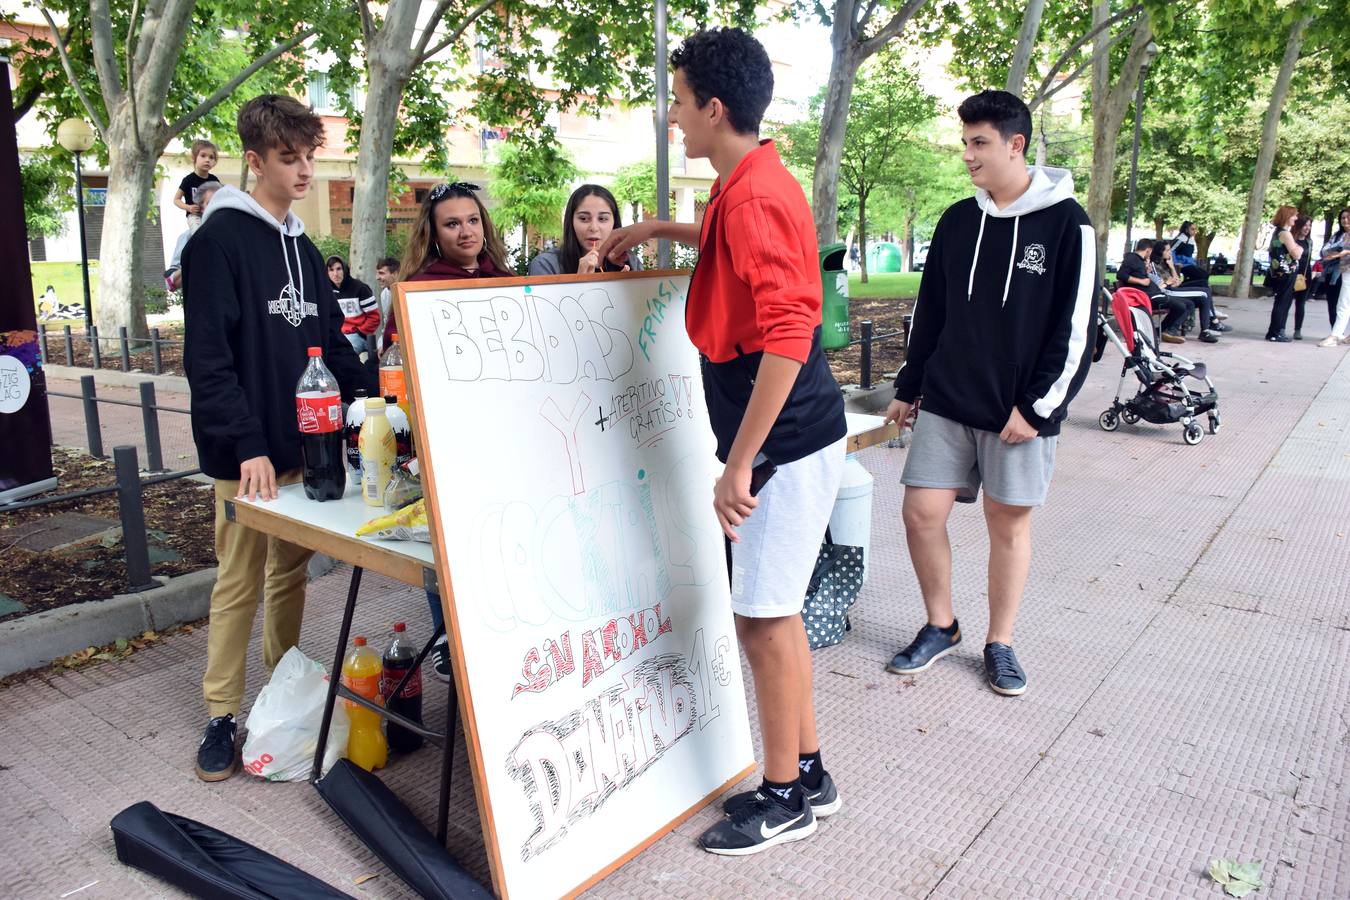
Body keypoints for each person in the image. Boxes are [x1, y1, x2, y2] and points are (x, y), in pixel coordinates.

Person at [599, 27, 848, 856]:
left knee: (763, 621)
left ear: (713, 107)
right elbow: (735, 256)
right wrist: (660, 233)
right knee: (774, 617)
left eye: (676, 101)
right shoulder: (751, 181)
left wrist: (741, 461)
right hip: (788, 436)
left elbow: (788, 332)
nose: (671, 118)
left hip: (784, 439)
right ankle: (808, 771)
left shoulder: (752, 196)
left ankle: (784, 797)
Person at [182, 95, 377, 782]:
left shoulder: (300, 244)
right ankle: (220, 712)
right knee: (238, 578)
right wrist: (245, 446)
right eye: (288, 158)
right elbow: (207, 360)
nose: (302, 171)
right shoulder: (217, 242)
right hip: (248, 456)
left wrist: (375, 400)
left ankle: (283, 682)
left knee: (291, 572)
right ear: (255, 159)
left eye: (309, 157)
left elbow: (331, 341)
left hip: (305, 447)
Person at [880, 89, 1095, 701]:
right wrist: (910, 385)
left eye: (980, 143)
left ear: (1015, 144)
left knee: (1008, 525)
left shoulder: (1068, 225)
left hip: (1017, 413)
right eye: (965, 143)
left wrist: (1039, 409)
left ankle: (999, 643)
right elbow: (932, 312)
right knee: (921, 512)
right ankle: (941, 625)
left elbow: (1075, 331)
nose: (969, 156)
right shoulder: (957, 220)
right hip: (949, 398)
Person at [397, 181, 513, 681]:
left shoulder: (506, 279)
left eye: (472, 220)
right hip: (449, 438)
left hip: (503, 434)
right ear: (434, 233)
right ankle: (445, 634)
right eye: (452, 223)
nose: (465, 231)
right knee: (448, 542)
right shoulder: (421, 288)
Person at [527, 184, 641, 275]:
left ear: (614, 223)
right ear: (571, 221)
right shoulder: (546, 265)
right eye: (584, 218)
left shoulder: (631, 262)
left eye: (602, 219)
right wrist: (580, 284)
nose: (594, 228)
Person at [1149, 240, 1228, 343]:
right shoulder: (1154, 265)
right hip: (1168, 291)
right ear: (1160, 252)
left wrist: (1171, 266)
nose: (1170, 253)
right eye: (1167, 250)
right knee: (1203, 293)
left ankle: (1206, 328)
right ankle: (1212, 322)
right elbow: (1164, 284)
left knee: (1203, 285)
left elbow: (1176, 280)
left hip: (1173, 288)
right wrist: (1171, 282)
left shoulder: (1165, 263)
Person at [1119, 238, 1190, 343]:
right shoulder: (1132, 258)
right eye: (1150, 252)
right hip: (1148, 296)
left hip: (1154, 293)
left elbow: (1137, 274)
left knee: (1187, 303)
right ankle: (1158, 332)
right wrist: (1141, 281)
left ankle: (1159, 331)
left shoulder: (1139, 260)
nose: (1150, 255)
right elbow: (1121, 274)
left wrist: (1146, 272)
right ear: (1148, 250)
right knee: (1181, 306)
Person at [165, 181, 223, 291]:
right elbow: (170, 283)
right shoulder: (188, 237)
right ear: (201, 208)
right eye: (211, 202)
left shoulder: (237, 235)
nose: (218, 206)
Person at [1265, 204, 1304, 342]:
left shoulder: (1277, 232)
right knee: (1283, 302)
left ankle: (1273, 331)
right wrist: (1299, 247)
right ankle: (1276, 332)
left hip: (1278, 272)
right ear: (1287, 217)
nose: (1296, 218)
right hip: (1287, 272)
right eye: (1293, 215)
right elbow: (1297, 254)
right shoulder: (1286, 234)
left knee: (1280, 301)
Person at [325, 255, 378, 356]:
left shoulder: (360, 288)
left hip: (356, 335)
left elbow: (374, 317)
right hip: (335, 336)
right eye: (331, 270)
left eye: (338, 269)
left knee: (345, 354)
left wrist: (360, 332)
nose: (335, 274)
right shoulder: (326, 291)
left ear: (345, 269)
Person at [174, 139, 221, 233]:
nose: (207, 160)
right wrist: (188, 207)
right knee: (198, 233)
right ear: (194, 157)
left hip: (210, 214)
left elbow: (220, 197)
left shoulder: (214, 180)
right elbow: (176, 200)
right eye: (203, 156)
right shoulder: (188, 180)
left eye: (211, 157)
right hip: (195, 216)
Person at [1318, 208, 1350, 339]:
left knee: (1343, 304)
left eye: (1348, 217)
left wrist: (1340, 252)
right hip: (1333, 274)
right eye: (1343, 218)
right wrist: (1341, 248)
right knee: (1334, 303)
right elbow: (1324, 252)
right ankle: (1336, 332)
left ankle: (1337, 334)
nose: (1345, 220)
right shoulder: (1338, 236)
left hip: (1346, 272)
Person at [1290, 216, 1314, 340]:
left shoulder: (1309, 242)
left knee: (1300, 303)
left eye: (1309, 225)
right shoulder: (1291, 239)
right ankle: (1280, 327)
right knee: (1285, 302)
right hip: (1291, 275)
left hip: (1304, 276)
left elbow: (1308, 260)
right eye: (1305, 225)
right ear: (1298, 225)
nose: (1307, 228)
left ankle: (1297, 330)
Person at [374, 256, 400, 356]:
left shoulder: (405, 292)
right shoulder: (384, 294)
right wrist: (381, 345)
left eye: (381, 273)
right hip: (389, 343)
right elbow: (385, 325)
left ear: (395, 274)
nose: (377, 277)